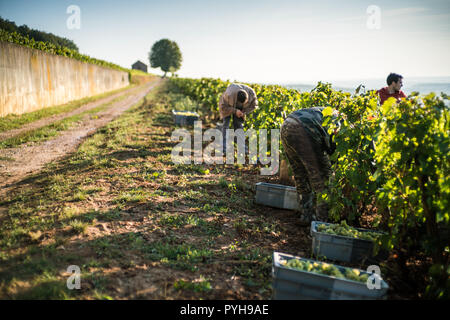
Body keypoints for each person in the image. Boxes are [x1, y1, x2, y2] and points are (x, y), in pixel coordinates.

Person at [280, 107, 337, 226]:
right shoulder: (338, 121)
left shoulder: (324, 111)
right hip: (303, 130)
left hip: (286, 125)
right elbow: (332, 148)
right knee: (322, 177)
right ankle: (322, 222)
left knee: (300, 173)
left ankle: (306, 216)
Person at [219, 83, 258, 154]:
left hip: (241, 108)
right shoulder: (228, 95)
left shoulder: (252, 94)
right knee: (226, 125)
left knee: (239, 126)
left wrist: (243, 112)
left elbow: (254, 106)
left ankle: (242, 148)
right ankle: (223, 148)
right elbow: (223, 107)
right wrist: (235, 110)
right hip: (227, 106)